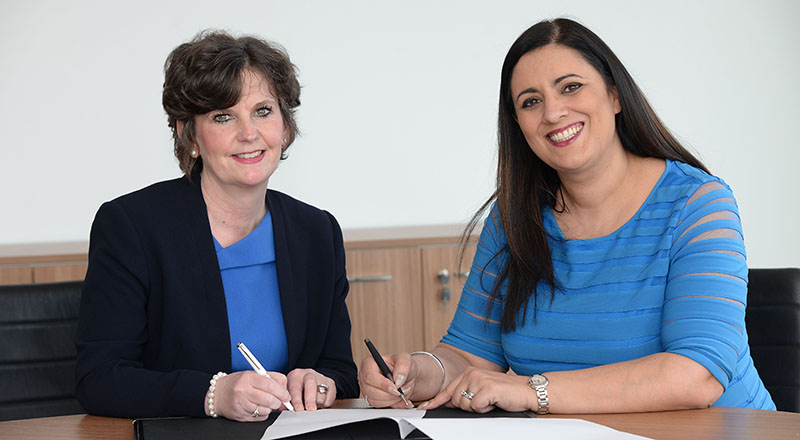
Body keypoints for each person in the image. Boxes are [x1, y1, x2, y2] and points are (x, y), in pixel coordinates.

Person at [359, 18, 775, 414]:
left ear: (614, 95)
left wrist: (530, 390)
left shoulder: (698, 204)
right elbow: (469, 355)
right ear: (519, 124)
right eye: (531, 101)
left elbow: (695, 377)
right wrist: (417, 372)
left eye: (570, 87)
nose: (553, 113)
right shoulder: (513, 219)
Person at [75, 31, 359, 421]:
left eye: (263, 111)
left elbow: (340, 371)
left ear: (286, 126)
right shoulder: (133, 226)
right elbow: (100, 379)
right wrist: (213, 395)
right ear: (187, 133)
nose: (249, 133)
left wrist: (319, 384)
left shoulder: (317, 231)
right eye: (223, 116)